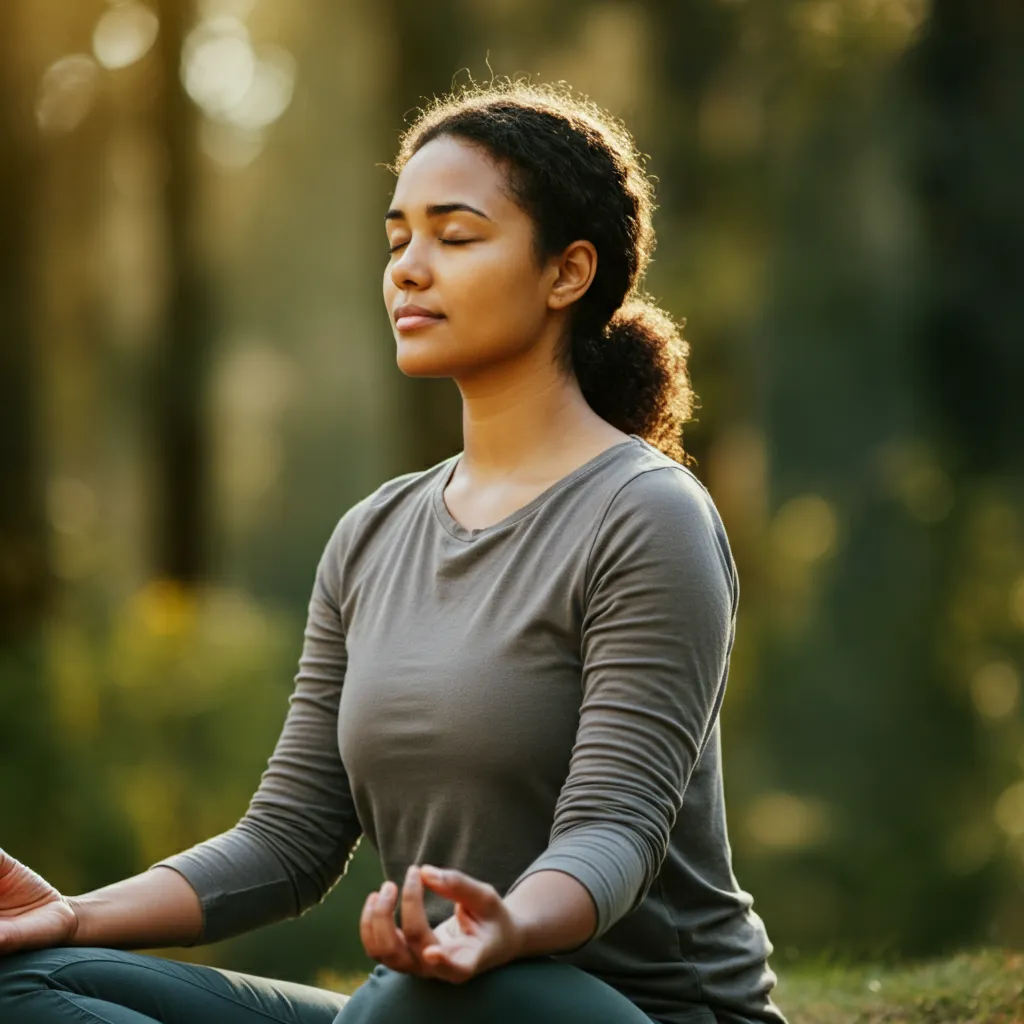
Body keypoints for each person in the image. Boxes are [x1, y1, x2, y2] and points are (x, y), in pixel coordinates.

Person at [0, 78, 788, 1024]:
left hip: (629, 1009)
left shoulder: (645, 514)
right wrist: (74, 916)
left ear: (567, 273)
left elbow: (614, 832)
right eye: (398, 239)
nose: (410, 267)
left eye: (455, 236)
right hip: (430, 996)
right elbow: (288, 840)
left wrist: (501, 928)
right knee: (25, 983)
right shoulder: (373, 533)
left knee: (410, 998)